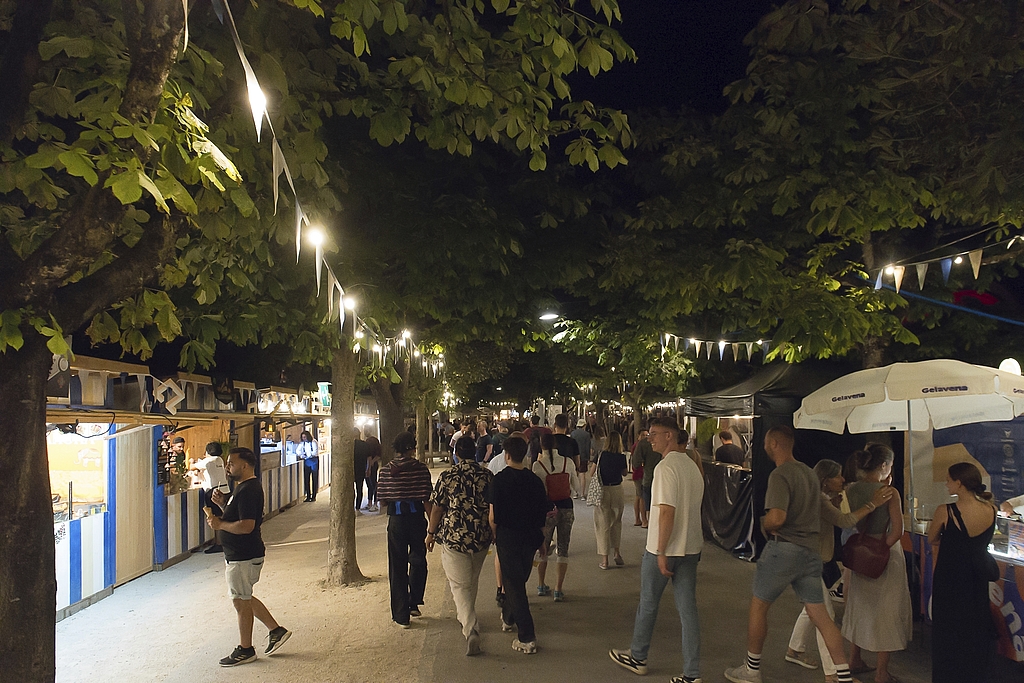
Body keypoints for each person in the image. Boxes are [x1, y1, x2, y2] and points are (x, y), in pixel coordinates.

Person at [725, 425, 857, 683]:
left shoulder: (780, 475)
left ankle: (751, 669)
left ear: (775, 443)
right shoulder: (809, 474)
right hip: (810, 554)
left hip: (783, 549)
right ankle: (843, 675)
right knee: (821, 616)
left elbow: (777, 517)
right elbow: (829, 510)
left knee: (759, 607)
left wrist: (765, 524)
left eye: (765, 440)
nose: (763, 445)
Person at [609, 417, 704, 683]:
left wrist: (661, 551)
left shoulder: (666, 468)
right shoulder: (692, 466)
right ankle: (692, 673)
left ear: (669, 437)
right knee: (688, 611)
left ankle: (638, 656)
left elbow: (666, 512)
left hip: (665, 548)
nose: (649, 438)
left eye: (654, 434)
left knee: (648, 604)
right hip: (691, 547)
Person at [785, 459, 894, 683]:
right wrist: (872, 504)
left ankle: (795, 649)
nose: (843, 479)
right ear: (826, 480)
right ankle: (834, 673)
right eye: (838, 476)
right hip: (810, 563)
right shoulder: (820, 501)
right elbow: (845, 521)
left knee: (813, 609)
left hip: (806, 561)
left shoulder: (816, 497)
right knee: (825, 617)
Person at [206, 447, 291, 666]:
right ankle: (276, 630)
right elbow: (240, 514)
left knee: (240, 601)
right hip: (240, 554)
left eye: (231, 463)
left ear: (245, 465)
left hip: (243, 555)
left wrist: (220, 524)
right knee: (244, 596)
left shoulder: (249, 489)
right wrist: (223, 503)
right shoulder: (241, 489)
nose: (227, 467)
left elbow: (247, 525)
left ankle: (246, 649)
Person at [843, 444, 912, 683]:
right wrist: (881, 549)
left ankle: (854, 659)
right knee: (887, 610)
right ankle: (881, 673)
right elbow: (898, 530)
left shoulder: (851, 489)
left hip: (860, 553)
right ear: (884, 466)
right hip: (884, 554)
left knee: (859, 606)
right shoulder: (889, 492)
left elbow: (849, 521)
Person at [928, 462, 998, 683]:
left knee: (947, 633)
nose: (946, 484)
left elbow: (931, 538)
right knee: (974, 631)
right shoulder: (991, 509)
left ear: (959, 483)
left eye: (949, 480)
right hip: (976, 577)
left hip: (950, 577)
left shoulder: (945, 511)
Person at [426, 436, 494, 656]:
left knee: (459, 585)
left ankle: (470, 627)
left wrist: (430, 533)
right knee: (471, 579)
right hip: (482, 537)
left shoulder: (448, 476)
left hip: (455, 538)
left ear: (456, 453)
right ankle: (469, 617)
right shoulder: (487, 475)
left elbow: (437, 508)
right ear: (474, 452)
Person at [488, 436, 550, 655]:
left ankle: (527, 635)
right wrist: (542, 541)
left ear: (506, 455)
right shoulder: (534, 481)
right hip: (530, 537)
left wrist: (494, 534)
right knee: (518, 580)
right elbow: (541, 515)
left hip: (508, 536)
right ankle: (508, 616)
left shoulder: (499, 480)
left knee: (514, 583)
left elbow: (493, 516)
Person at [376, 431, 433, 627]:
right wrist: (434, 527)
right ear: (412, 448)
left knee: (397, 566)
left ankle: (401, 615)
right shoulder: (421, 470)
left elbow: (382, 501)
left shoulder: (385, 471)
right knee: (418, 559)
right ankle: (414, 600)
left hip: (396, 521)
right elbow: (427, 499)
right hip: (417, 519)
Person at [533, 432, 580, 601]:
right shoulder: (568, 462)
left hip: (547, 509)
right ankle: (558, 589)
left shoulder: (537, 466)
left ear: (541, 444)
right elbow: (576, 487)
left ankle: (541, 584)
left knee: (543, 547)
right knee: (563, 547)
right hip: (566, 507)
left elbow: (537, 493)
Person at [592, 430, 628, 569]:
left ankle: (604, 560)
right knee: (617, 522)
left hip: (603, 491)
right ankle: (617, 553)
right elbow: (624, 473)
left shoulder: (601, 455)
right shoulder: (621, 457)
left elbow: (591, 472)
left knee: (602, 525)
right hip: (617, 490)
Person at [190, 442, 230, 554]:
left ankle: (219, 543)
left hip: (213, 491)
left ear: (207, 452)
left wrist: (192, 461)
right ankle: (225, 541)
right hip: (225, 489)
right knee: (223, 515)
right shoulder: (220, 460)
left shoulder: (208, 461)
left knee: (215, 517)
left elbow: (192, 467)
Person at [639, 423, 662, 526]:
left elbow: (636, 462)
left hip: (648, 477)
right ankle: (649, 521)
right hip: (649, 477)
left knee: (645, 498)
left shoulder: (642, 445)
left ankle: (646, 521)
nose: (649, 439)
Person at [631, 430, 650, 527]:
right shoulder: (638, 446)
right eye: (643, 435)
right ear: (638, 435)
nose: (646, 437)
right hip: (639, 474)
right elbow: (635, 462)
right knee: (641, 496)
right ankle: (643, 520)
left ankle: (638, 519)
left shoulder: (644, 445)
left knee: (639, 496)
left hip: (640, 473)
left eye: (647, 435)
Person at [296, 430, 319, 502]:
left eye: (305, 437)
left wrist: (307, 455)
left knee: (314, 479)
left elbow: (315, 452)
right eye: (302, 437)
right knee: (306, 479)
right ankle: (308, 495)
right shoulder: (302, 443)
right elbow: (297, 451)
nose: (304, 438)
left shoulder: (314, 442)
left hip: (314, 460)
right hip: (307, 461)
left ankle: (314, 496)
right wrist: (301, 455)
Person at [353, 428, 369, 510]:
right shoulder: (364, 444)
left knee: (357, 489)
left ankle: (356, 506)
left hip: (355, 468)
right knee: (359, 488)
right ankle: (357, 507)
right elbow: (368, 457)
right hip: (360, 468)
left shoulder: (351, 445)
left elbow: (368, 457)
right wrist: (368, 468)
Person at [365, 435, 382, 512]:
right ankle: (371, 502)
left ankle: (373, 502)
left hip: (371, 465)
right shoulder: (375, 443)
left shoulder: (368, 443)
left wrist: (371, 462)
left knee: (372, 484)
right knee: (371, 484)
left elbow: (378, 455)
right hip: (372, 464)